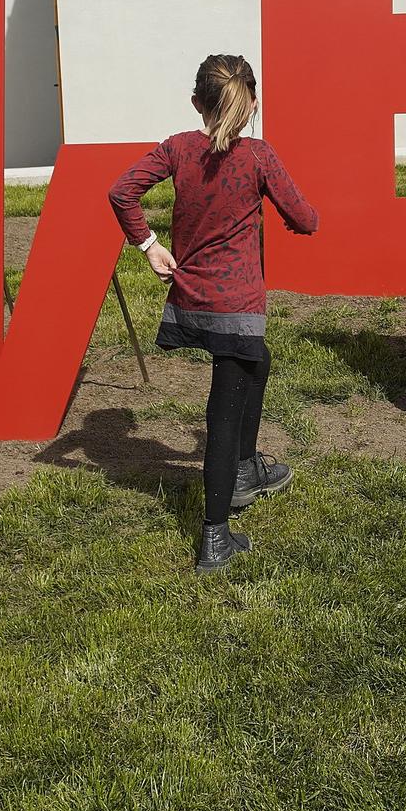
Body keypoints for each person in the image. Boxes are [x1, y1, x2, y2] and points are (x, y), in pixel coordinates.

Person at [108, 54, 318, 572]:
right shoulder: (258, 157)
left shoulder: (179, 149)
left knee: (258, 363)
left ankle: (246, 468)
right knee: (222, 413)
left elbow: (122, 191)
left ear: (197, 103)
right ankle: (215, 536)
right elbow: (306, 219)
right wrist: (293, 217)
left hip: (192, 304)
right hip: (238, 308)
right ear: (252, 105)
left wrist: (148, 245)